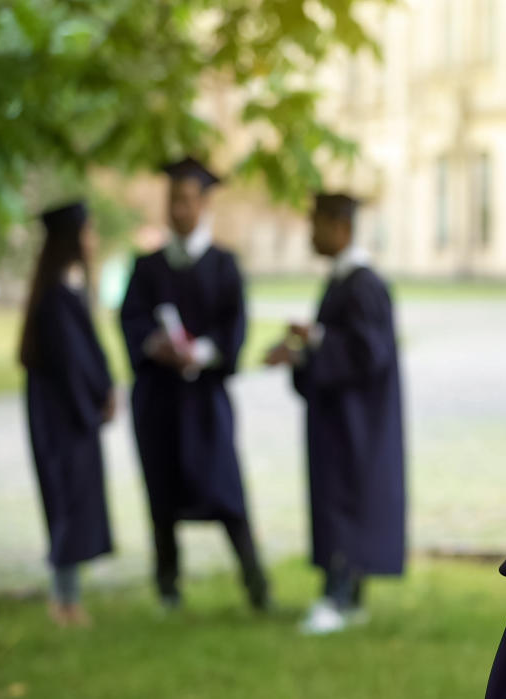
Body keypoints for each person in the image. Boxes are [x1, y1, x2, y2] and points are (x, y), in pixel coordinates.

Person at [119, 157, 270, 612]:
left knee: (226, 490)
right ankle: (167, 587)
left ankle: (256, 586)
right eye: (173, 200)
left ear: (205, 204)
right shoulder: (147, 266)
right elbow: (130, 320)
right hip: (159, 400)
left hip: (204, 400)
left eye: (187, 200)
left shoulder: (224, 265)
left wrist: (200, 352)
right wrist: (153, 345)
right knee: (161, 492)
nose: (179, 210)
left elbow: (235, 329)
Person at [265, 192, 406, 635]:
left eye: (317, 224)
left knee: (343, 502)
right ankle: (348, 597)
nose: (311, 233)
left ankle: (337, 596)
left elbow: (369, 353)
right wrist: (303, 349)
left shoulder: (363, 284)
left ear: (340, 227)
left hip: (355, 423)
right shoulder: (344, 280)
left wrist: (318, 337)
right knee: (342, 500)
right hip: (342, 418)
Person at [19, 200, 115, 627]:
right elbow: (72, 365)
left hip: (66, 416)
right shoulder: (58, 297)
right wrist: (95, 406)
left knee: (70, 503)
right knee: (69, 505)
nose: (93, 241)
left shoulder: (62, 290)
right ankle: (65, 601)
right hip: (65, 420)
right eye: (88, 232)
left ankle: (67, 598)